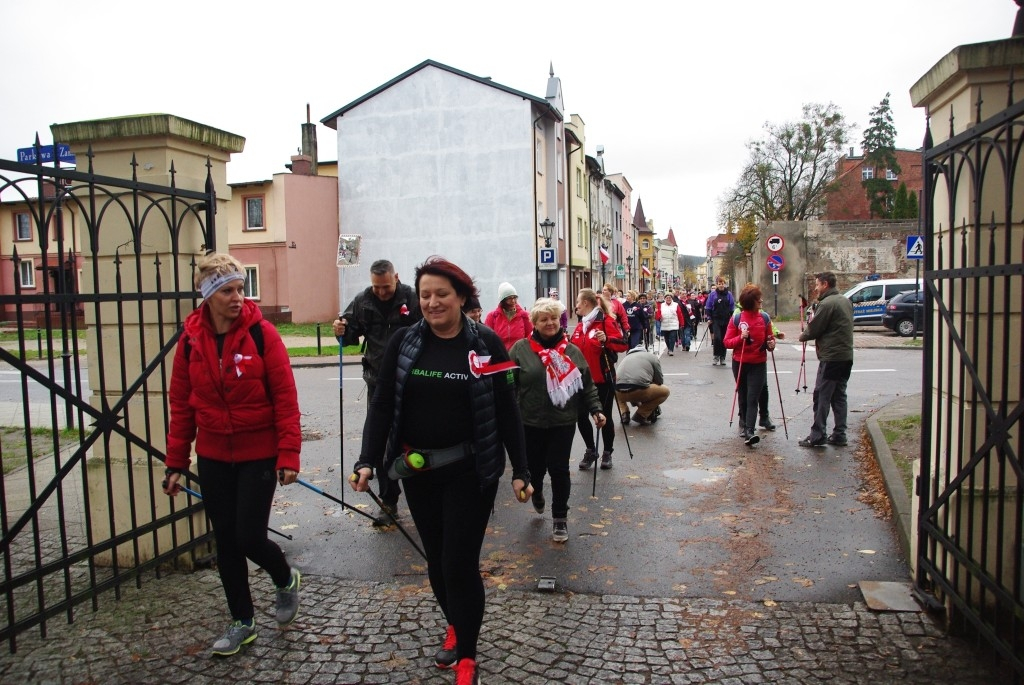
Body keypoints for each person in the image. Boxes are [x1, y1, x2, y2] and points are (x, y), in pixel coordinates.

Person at [349, 256, 532, 683]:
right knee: (436, 561)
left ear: (462, 296)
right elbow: (381, 406)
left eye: (442, 295)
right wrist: (366, 461)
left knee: (458, 563)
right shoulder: (405, 343)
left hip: (471, 469)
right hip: (418, 471)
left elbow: (507, 409)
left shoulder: (486, 343)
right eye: (426, 294)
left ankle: (467, 655)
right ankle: (457, 622)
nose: (432, 303)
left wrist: (521, 469)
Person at [164, 252, 301, 656]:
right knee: (226, 541)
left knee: (249, 537)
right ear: (208, 296)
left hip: (258, 453)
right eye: (227, 290)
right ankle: (243, 621)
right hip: (213, 455)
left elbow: (285, 396)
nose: (238, 297)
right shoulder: (190, 343)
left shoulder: (262, 335)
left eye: (241, 288)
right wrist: (176, 462)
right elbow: (181, 405)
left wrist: (288, 453)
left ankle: (284, 578)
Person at [333, 259, 422, 525]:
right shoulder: (363, 301)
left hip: (412, 378)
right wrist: (341, 331)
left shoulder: (412, 298)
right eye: (376, 287)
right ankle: (389, 501)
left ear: (396, 277)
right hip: (377, 379)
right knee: (382, 440)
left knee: (416, 436)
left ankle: (423, 498)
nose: (381, 292)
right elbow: (348, 334)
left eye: (385, 286)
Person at [509, 298, 605, 542]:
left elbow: (586, 385)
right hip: (530, 421)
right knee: (536, 469)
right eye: (544, 319)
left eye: (553, 318)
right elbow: (508, 385)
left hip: (562, 420)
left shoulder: (571, 351)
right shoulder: (521, 350)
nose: (549, 323)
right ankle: (538, 491)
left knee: (560, 469)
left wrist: (596, 409)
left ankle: (560, 518)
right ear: (535, 323)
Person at [571, 288, 628, 470]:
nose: (576, 306)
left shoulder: (606, 322)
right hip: (581, 381)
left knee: (603, 416)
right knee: (581, 416)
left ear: (586, 303)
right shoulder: (580, 326)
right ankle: (591, 450)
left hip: (603, 379)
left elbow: (623, 344)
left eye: (578, 302)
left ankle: (607, 452)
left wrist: (607, 339)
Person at [798, 271, 855, 448]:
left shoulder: (827, 304)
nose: (815, 288)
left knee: (822, 395)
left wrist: (803, 336)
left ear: (825, 284)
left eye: (817, 285)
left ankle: (818, 434)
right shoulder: (844, 300)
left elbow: (815, 328)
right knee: (839, 395)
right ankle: (839, 434)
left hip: (831, 357)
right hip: (845, 355)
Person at [723, 283, 777, 446]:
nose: (761, 301)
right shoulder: (737, 318)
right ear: (750, 301)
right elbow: (727, 342)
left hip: (758, 363)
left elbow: (770, 338)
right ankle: (744, 423)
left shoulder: (765, 318)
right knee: (743, 394)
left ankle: (749, 430)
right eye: (757, 299)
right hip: (739, 362)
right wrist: (741, 337)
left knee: (753, 396)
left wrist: (771, 344)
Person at [615, 345, 670, 426]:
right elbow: (659, 381)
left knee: (621, 387)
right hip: (638, 390)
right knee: (665, 391)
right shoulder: (651, 357)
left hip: (619, 393)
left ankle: (624, 413)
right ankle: (641, 414)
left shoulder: (625, 358)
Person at [484, 282, 533, 350]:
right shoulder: (492, 317)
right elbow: (487, 339)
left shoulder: (524, 316)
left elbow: (530, 338)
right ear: (502, 300)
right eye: (509, 298)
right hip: (500, 356)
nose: (513, 301)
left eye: (515, 297)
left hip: (519, 356)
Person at [704, 277, 736, 366]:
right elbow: (708, 306)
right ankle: (716, 356)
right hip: (716, 319)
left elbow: (731, 306)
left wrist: (732, 318)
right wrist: (709, 318)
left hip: (726, 319)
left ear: (724, 284)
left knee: (724, 339)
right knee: (717, 338)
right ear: (717, 284)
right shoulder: (712, 295)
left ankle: (723, 357)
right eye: (719, 283)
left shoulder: (728, 294)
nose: (721, 285)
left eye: (722, 283)